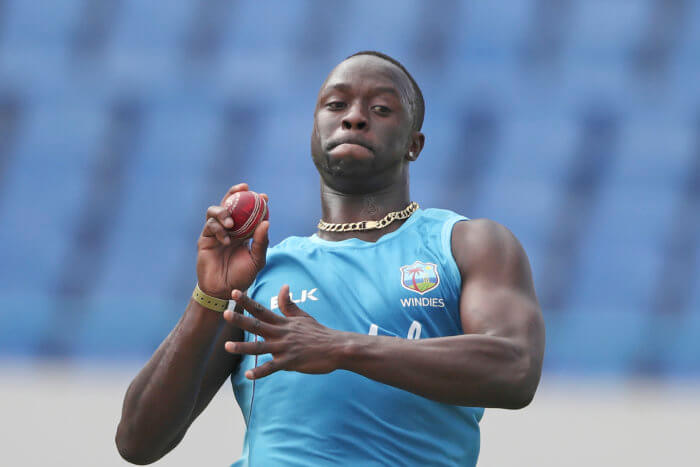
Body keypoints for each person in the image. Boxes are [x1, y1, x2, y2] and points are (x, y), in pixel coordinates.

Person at [116, 51, 545, 466]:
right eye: (336, 104)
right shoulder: (266, 274)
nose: (354, 116)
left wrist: (342, 347)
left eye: (380, 108)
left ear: (414, 145)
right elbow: (138, 441)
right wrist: (208, 297)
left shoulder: (467, 244)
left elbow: (516, 368)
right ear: (313, 134)